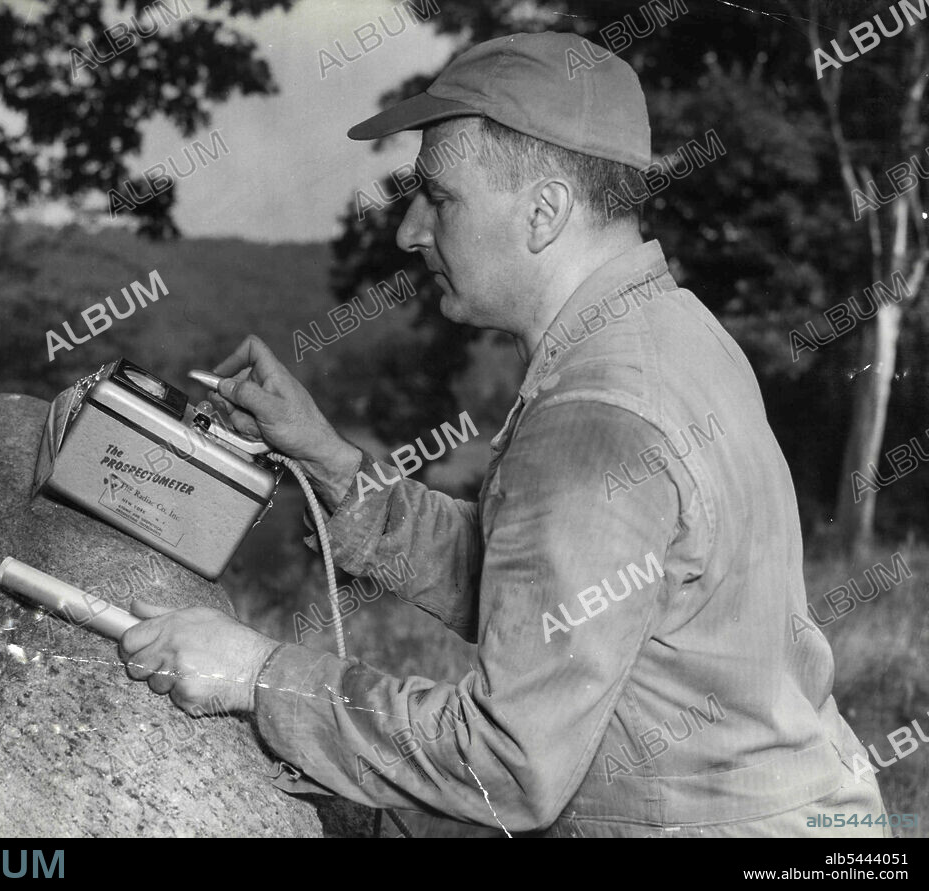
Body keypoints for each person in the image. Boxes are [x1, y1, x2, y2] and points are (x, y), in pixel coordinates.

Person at [118, 31, 888, 837]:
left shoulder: (594, 416)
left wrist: (255, 673)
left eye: (439, 198)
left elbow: (506, 767)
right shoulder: (669, 332)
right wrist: (337, 469)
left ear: (545, 210)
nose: (409, 231)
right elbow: (548, 591)